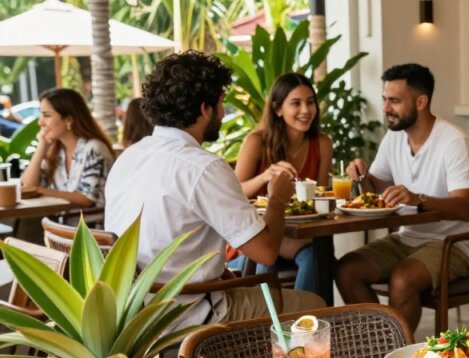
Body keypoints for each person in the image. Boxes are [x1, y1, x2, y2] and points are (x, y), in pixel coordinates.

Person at [105, 51, 325, 327]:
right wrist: (277, 199)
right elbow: (267, 252)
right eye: (221, 104)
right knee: (317, 308)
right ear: (204, 109)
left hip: (134, 315)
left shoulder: (129, 157)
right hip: (189, 314)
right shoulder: (202, 167)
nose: (222, 113)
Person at [336, 63, 469, 331]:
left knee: (402, 278)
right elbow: (374, 191)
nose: (386, 108)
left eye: (394, 101)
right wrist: (360, 177)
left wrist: (418, 199)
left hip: (454, 243)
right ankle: (380, 345)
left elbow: (465, 208)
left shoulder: (454, 142)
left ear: (421, 101)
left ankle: (397, 355)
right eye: (384, 99)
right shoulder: (393, 139)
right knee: (347, 270)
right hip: (407, 237)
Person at [234, 73, 333, 294]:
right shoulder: (257, 141)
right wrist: (265, 176)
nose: (306, 110)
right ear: (278, 109)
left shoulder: (322, 143)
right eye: (296, 104)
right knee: (314, 254)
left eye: (310, 102)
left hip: (296, 234)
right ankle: (275, 320)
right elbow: (234, 192)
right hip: (253, 235)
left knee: (316, 254)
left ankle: (301, 322)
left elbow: (321, 196)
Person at [20, 88, 114, 208]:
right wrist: (41, 147)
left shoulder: (94, 148)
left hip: (88, 225)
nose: (40, 122)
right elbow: (27, 186)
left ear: (68, 120)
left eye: (47, 115)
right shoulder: (56, 151)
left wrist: (40, 191)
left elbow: (86, 199)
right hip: (58, 223)